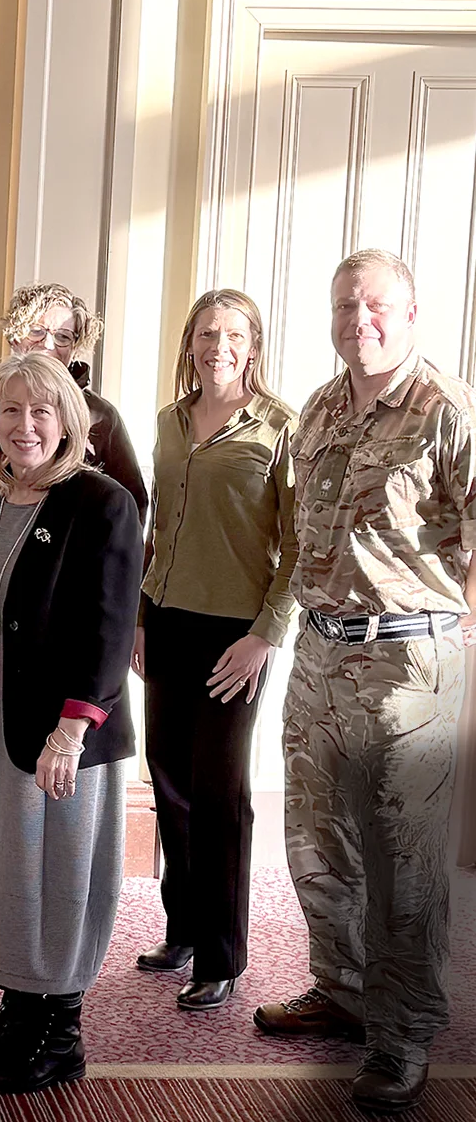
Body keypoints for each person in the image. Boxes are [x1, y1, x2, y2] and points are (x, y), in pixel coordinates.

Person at [253, 250, 475, 1115]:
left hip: (406, 665)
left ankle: (403, 1034)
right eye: (345, 305)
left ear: (411, 311)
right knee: (316, 843)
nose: (359, 320)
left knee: (404, 863)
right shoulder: (318, 406)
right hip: (318, 657)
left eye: (376, 305)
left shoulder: (444, 409)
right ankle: (340, 987)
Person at [0, 351, 140, 1095]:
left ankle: (62, 1033)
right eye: (8, 411)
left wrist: (70, 730)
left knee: (56, 874)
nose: (23, 426)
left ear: (67, 422)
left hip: (64, 732)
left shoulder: (101, 501)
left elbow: (110, 630)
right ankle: (19, 1010)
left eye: (39, 412)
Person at [131, 290, 297, 1011]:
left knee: (219, 792)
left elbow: (298, 548)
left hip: (235, 635)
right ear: (188, 344)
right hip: (165, 622)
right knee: (167, 778)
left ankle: (223, 953)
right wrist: (139, 615)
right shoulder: (168, 424)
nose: (217, 345)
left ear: (251, 345)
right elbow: (157, 528)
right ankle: (184, 930)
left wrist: (264, 634)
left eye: (231, 334)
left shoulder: (280, 428)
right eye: (205, 333)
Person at [0, 283, 148, 526]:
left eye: (63, 337)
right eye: (36, 331)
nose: (47, 344)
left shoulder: (100, 416)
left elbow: (131, 503)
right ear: (15, 336)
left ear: (75, 347)